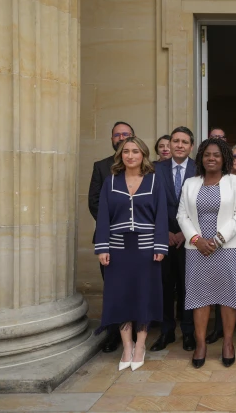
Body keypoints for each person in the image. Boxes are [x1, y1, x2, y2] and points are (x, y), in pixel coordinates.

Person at [94, 136, 168, 372]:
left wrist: (160, 246)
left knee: (143, 295)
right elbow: (103, 216)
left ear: (143, 155)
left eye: (135, 151)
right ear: (120, 155)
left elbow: (162, 216)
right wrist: (102, 247)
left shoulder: (155, 180)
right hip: (117, 249)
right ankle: (127, 346)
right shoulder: (110, 181)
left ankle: (140, 346)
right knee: (121, 296)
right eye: (126, 151)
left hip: (146, 249)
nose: (130, 155)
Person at [176, 138, 236, 368]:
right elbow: (182, 215)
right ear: (201, 158)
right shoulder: (190, 183)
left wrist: (216, 240)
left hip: (228, 249)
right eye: (207, 154)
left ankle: (228, 342)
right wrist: (197, 240)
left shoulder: (234, 182)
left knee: (229, 297)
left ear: (224, 157)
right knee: (200, 297)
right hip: (197, 250)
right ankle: (201, 344)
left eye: (216, 154)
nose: (212, 158)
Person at [88, 120, 135, 353]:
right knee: (114, 288)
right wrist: (116, 226)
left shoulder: (145, 168)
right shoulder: (101, 166)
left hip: (137, 239)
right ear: (112, 139)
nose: (122, 137)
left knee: (136, 286)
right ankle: (114, 333)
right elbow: (94, 203)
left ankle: (136, 330)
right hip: (110, 238)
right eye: (117, 135)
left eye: (126, 134)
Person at [151, 127, 197, 352]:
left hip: (190, 240)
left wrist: (184, 232)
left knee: (189, 287)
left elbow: (204, 207)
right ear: (169, 145)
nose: (179, 145)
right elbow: (148, 204)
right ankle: (167, 331)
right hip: (162, 237)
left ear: (191, 146)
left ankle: (188, 332)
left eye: (184, 142)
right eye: (175, 141)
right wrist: (164, 232)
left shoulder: (199, 169)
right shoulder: (154, 168)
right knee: (164, 287)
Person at [206, 145, 236, 345]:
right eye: (235, 156)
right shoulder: (217, 180)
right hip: (217, 243)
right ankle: (218, 328)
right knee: (219, 285)